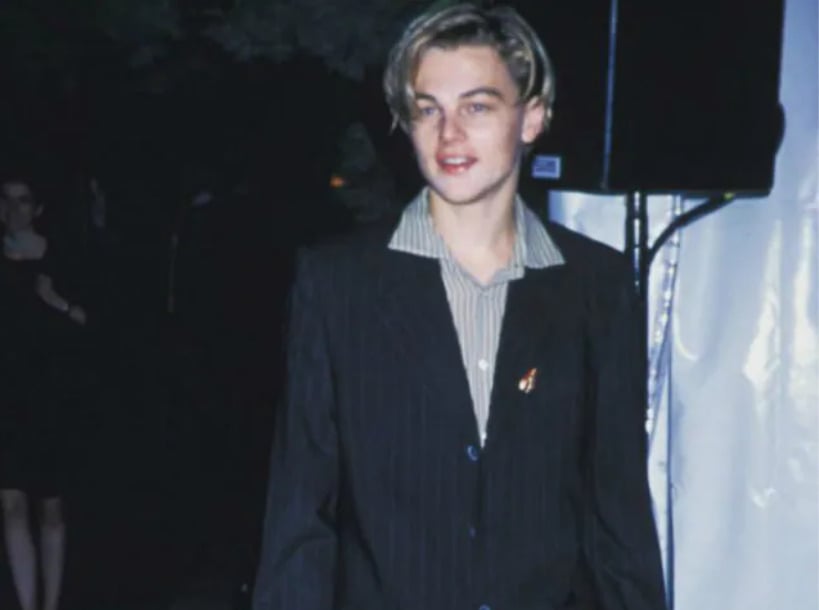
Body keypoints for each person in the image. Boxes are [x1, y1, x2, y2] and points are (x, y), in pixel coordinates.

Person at [252, 4, 667, 610]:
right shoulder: (338, 284)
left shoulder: (596, 287)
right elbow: (299, 517)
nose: (448, 135)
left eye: (477, 107)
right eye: (428, 110)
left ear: (532, 117)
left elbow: (619, 519)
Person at [0, 178, 87, 610]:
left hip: (50, 395)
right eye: (5, 199)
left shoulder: (60, 256)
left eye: (23, 200)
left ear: (38, 208)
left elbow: (93, 323)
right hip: (6, 395)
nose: (12, 209)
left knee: (50, 508)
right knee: (11, 505)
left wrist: (56, 302)